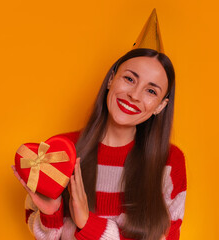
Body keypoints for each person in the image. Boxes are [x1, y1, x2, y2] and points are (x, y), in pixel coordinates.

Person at [12, 9, 187, 240]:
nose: (134, 95)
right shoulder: (60, 152)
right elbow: (44, 234)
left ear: (160, 106)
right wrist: (51, 213)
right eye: (129, 78)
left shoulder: (170, 162)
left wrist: (88, 224)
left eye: (151, 91)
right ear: (112, 78)